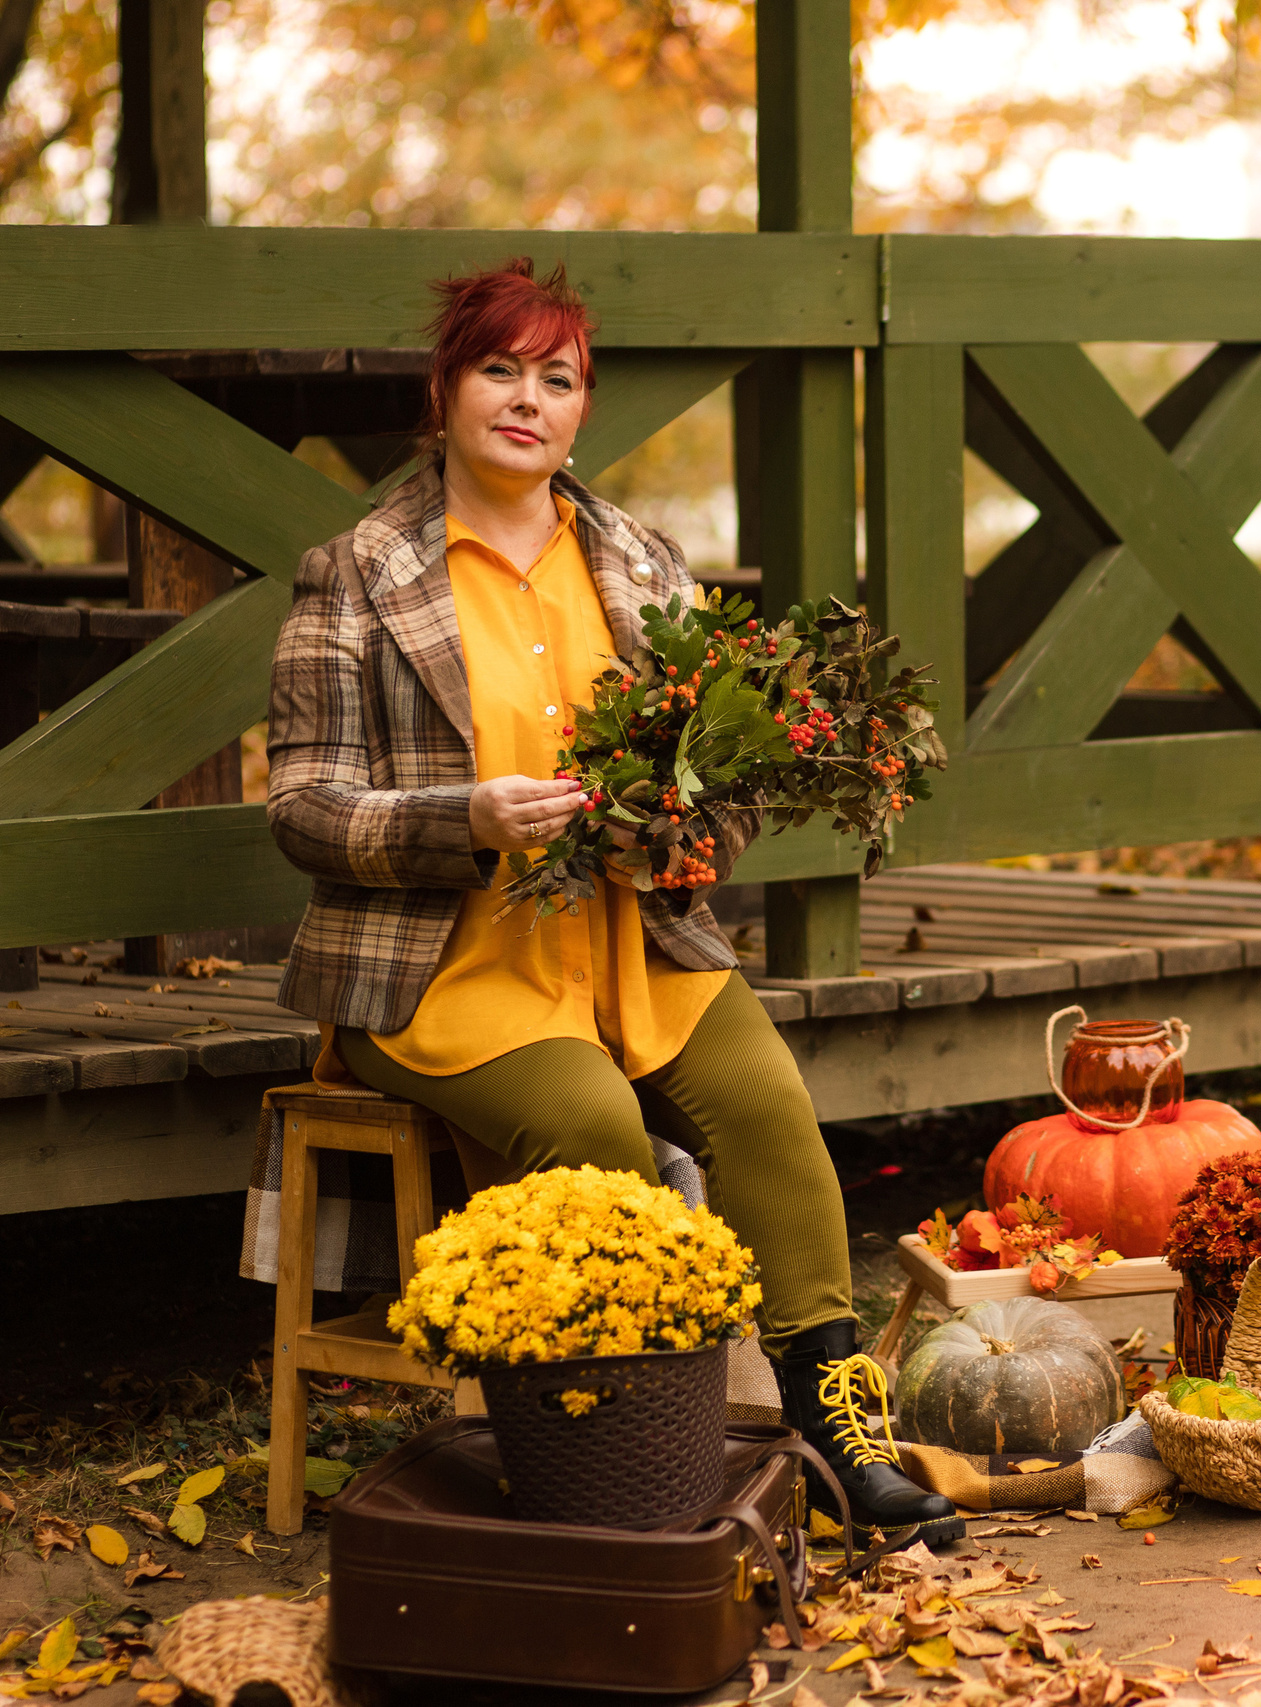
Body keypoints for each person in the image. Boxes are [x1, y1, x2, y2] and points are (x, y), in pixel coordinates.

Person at [265, 256, 957, 1541]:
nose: (527, 399)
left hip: (638, 941)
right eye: (499, 370)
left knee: (769, 1116)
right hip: (444, 965)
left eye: (557, 377)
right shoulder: (358, 573)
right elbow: (302, 806)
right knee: (594, 1131)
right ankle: (637, 1443)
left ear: (583, 407)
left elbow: (729, 784)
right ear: (445, 389)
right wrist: (457, 822)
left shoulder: (642, 560)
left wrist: (681, 834)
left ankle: (836, 1432)